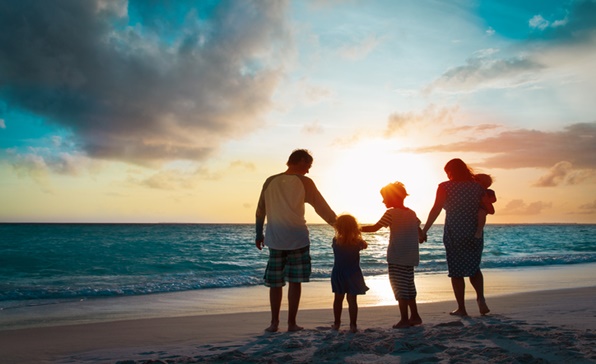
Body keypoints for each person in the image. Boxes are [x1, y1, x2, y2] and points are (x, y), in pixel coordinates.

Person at [255, 149, 337, 332]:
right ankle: (291, 323)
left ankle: (274, 323)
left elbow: (260, 211)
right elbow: (322, 208)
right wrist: (340, 227)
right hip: (297, 238)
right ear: (299, 161)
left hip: (275, 239)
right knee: (295, 281)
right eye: (308, 165)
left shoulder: (270, 181)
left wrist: (258, 234)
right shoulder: (305, 182)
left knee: (275, 283)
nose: (308, 170)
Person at [421, 158, 491, 317]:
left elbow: (436, 209)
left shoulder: (445, 186)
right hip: (474, 232)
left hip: (455, 232)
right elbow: (486, 207)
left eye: (447, 172)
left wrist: (425, 230)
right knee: (474, 268)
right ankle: (480, 299)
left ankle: (462, 308)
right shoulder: (477, 187)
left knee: (456, 271)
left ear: (451, 172)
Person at [361, 181, 425, 328]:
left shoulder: (391, 213)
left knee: (399, 287)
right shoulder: (412, 213)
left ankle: (404, 319)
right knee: (409, 286)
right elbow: (419, 231)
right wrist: (421, 236)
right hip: (411, 256)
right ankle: (414, 315)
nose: (383, 200)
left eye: (385, 197)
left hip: (397, 256)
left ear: (393, 197)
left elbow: (374, 228)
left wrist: (354, 228)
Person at [330, 214, 369, 333]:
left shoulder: (336, 240)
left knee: (338, 299)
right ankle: (353, 325)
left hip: (338, 272)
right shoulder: (357, 242)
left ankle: (337, 323)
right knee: (352, 300)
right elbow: (365, 246)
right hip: (353, 273)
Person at [474, 173, 497, 238]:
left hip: (483, 208)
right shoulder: (474, 191)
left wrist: (486, 200)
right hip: (475, 207)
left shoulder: (489, 191)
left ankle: (479, 230)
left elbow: (494, 199)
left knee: (481, 214)